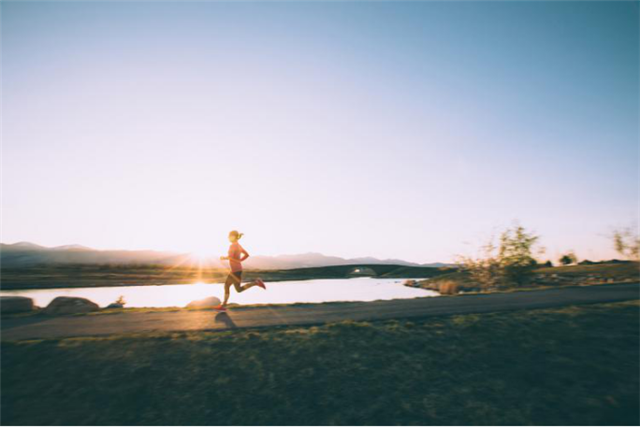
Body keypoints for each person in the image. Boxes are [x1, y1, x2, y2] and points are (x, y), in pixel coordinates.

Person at [215, 230, 266, 311]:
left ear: (234, 237)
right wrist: (239, 260)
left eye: (230, 236)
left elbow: (230, 257)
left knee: (226, 285)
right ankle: (256, 282)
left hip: (235, 271)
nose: (228, 238)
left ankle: (223, 306)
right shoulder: (238, 245)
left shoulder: (232, 246)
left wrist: (225, 258)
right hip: (237, 270)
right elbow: (246, 255)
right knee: (238, 290)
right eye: (228, 236)